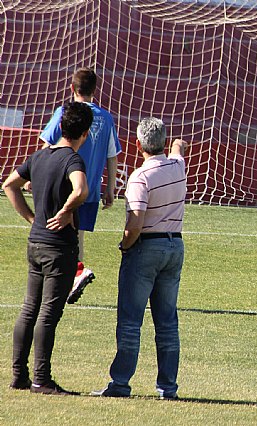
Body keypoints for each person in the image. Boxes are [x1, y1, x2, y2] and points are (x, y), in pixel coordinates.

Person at [92, 118, 187, 399]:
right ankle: (167, 387)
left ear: (137, 145)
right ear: (164, 143)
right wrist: (176, 145)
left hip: (146, 246)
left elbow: (135, 224)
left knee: (131, 321)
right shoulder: (177, 165)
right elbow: (180, 147)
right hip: (175, 246)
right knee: (167, 322)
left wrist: (124, 245)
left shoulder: (140, 178)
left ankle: (120, 383)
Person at [3, 102, 93, 395]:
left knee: (29, 309)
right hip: (59, 248)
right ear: (86, 132)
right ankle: (41, 379)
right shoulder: (72, 160)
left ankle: (18, 375)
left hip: (36, 242)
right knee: (48, 313)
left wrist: (32, 218)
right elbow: (81, 190)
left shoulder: (40, 156)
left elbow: (9, 185)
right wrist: (68, 210)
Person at [39, 67, 122, 304]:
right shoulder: (106, 118)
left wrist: (36, 173)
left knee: (54, 232)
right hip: (91, 188)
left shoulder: (66, 112)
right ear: (95, 90)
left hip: (63, 183)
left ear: (72, 88)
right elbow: (112, 155)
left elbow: (48, 143)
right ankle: (71, 280)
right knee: (77, 235)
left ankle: (74, 273)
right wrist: (110, 188)